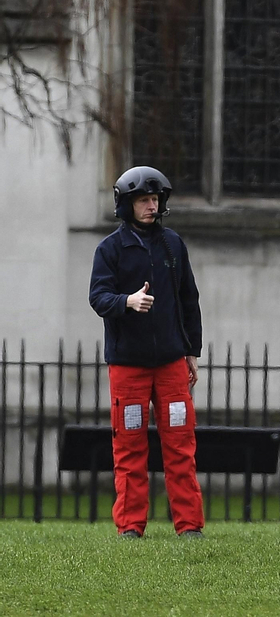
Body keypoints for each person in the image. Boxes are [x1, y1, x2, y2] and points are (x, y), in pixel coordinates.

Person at [88, 166, 204, 539]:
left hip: (171, 365)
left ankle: (189, 527)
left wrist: (192, 351)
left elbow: (190, 300)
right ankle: (130, 527)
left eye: (155, 200)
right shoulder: (109, 250)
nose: (151, 206)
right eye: (144, 201)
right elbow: (98, 297)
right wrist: (128, 301)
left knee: (180, 447)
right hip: (129, 368)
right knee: (129, 449)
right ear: (127, 205)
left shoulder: (173, 245)